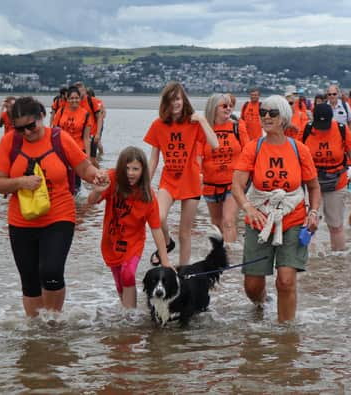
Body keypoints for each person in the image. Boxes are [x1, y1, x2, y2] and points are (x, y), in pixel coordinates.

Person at [0, 97, 108, 317]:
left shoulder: (59, 139)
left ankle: (52, 319)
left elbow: (84, 169)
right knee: (30, 278)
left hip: (58, 216)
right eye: (20, 128)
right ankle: (36, 328)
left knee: (51, 271)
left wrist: (98, 176)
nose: (26, 132)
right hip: (21, 220)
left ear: (42, 117)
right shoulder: (10, 142)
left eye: (31, 126)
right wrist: (20, 183)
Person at [232, 95, 321, 323]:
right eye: (263, 113)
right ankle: (262, 304)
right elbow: (237, 186)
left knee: (286, 280)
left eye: (272, 113)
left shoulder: (299, 149)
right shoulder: (254, 147)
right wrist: (248, 208)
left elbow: (313, 186)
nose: (266, 117)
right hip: (260, 219)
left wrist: (313, 213)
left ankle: (286, 334)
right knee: (252, 285)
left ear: (284, 118)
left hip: (292, 217)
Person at [144, 81, 219, 265]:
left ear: (183, 99)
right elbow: (154, 158)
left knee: (185, 232)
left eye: (177, 99)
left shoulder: (193, 123)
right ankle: (167, 243)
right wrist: (144, 184)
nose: (174, 104)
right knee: (157, 217)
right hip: (168, 180)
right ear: (165, 103)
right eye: (170, 100)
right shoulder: (158, 125)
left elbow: (215, 144)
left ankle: (184, 272)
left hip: (191, 182)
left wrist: (201, 119)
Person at [87, 146, 170, 308]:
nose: (131, 173)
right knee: (120, 284)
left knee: (128, 274)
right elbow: (91, 202)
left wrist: (165, 260)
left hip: (133, 243)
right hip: (111, 243)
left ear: (143, 170)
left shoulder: (148, 196)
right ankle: (127, 315)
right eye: (126, 169)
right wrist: (97, 191)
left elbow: (156, 229)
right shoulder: (111, 179)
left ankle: (131, 316)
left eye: (135, 169)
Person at [302, 103, 351, 251]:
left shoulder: (341, 129)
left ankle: (338, 260)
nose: (322, 128)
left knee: (336, 225)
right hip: (311, 182)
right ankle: (308, 259)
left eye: (325, 124)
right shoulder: (307, 129)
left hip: (336, 181)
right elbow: (295, 153)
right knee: (309, 223)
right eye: (319, 124)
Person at [199, 93, 249, 244]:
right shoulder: (204, 129)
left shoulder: (237, 126)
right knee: (216, 224)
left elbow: (248, 153)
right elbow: (198, 157)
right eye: (224, 106)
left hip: (232, 184)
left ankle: (230, 258)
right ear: (214, 108)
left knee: (228, 221)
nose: (229, 109)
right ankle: (218, 256)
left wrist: (245, 178)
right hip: (210, 185)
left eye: (230, 106)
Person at [51, 85, 93, 194]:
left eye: (76, 98)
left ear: (80, 99)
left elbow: (86, 138)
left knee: (76, 183)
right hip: (62, 149)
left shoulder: (86, 114)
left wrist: (87, 158)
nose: (74, 100)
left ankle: (76, 204)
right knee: (60, 176)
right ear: (67, 99)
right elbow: (54, 131)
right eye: (71, 98)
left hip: (78, 150)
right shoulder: (60, 111)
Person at [74, 82, 104, 165]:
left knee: (92, 160)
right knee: (80, 158)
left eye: (82, 90)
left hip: (92, 133)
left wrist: (98, 134)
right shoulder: (75, 102)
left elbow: (100, 117)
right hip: (80, 135)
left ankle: (100, 174)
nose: (80, 93)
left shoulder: (93, 101)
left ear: (85, 90)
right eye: (78, 92)